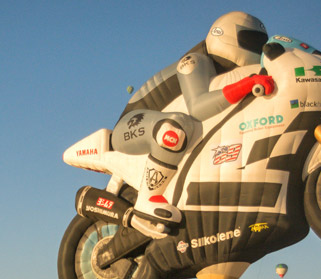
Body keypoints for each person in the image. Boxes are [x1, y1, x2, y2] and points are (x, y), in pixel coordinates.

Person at [111, 11, 274, 238]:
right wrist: (247, 85)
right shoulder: (194, 61)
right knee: (176, 126)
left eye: (263, 44)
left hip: (157, 132)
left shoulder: (221, 72)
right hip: (130, 127)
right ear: (225, 35)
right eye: (252, 41)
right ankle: (148, 198)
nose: (258, 49)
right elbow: (198, 106)